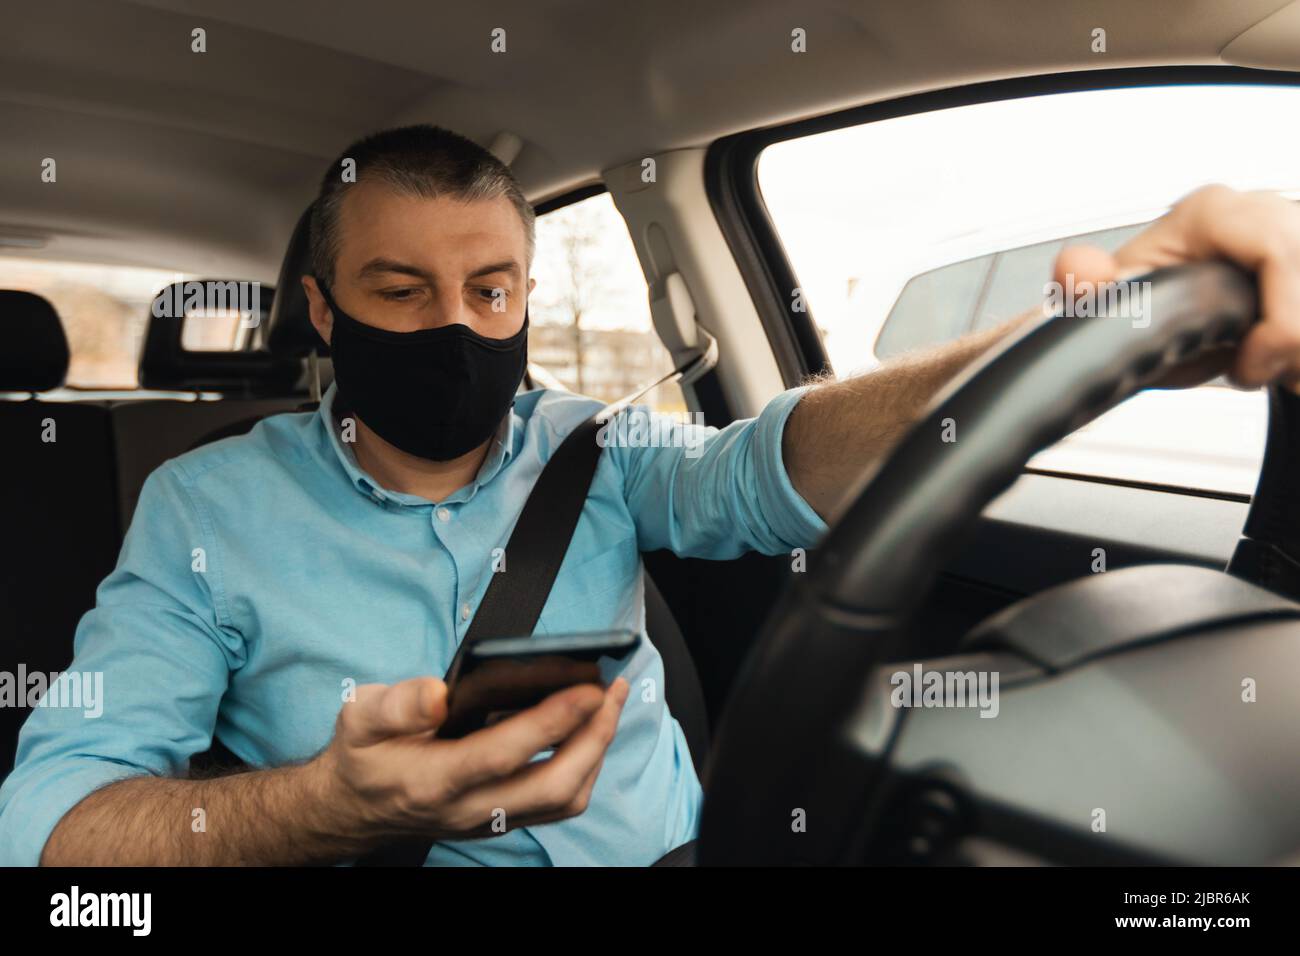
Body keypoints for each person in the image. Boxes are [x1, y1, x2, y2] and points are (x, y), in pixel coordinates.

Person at [4, 125, 1300, 866]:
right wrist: (328, 808)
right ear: (324, 308)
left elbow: (771, 465)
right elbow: (49, 825)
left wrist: (1072, 329)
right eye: (401, 292)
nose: (457, 326)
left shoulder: (595, 446)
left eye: (493, 289)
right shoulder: (201, 508)